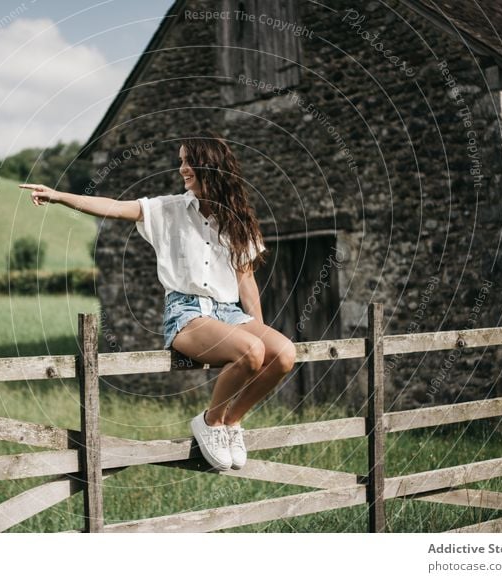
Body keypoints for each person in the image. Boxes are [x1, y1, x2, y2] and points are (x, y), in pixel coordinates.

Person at [19, 134, 296, 472]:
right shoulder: (169, 209)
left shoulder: (239, 221)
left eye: (187, 161)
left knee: (283, 354)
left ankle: (232, 422)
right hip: (188, 314)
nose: (181, 169)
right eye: (180, 161)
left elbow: (246, 281)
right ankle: (210, 422)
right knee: (251, 352)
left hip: (228, 312)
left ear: (210, 165)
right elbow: (114, 207)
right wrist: (58, 196)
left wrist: (259, 327)